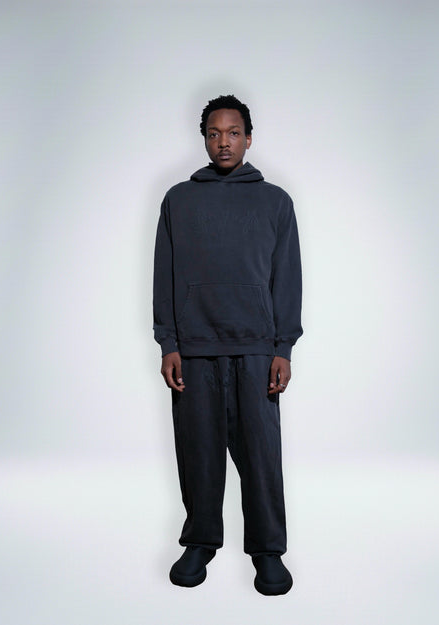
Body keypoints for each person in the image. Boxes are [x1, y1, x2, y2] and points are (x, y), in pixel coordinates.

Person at [153, 94, 303, 595]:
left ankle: (268, 551)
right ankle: (200, 541)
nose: (224, 142)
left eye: (233, 133)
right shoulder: (178, 200)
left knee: (261, 456)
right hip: (194, 346)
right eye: (215, 133)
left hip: (256, 347)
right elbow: (164, 274)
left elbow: (287, 278)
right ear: (204, 139)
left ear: (249, 138)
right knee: (197, 453)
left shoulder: (275, 202)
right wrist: (167, 341)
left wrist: (283, 348)